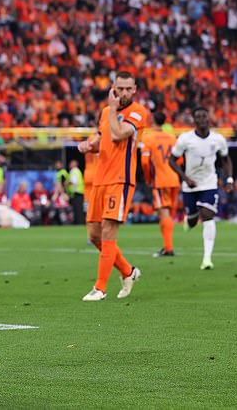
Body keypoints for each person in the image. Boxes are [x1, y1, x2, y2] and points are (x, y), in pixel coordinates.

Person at [77, 71, 147, 301]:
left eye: (128, 89)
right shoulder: (106, 112)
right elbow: (103, 139)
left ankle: (100, 288)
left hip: (121, 179)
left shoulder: (137, 112)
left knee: (108, 231)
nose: (124, 93)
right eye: (121, 88)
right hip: (100, 179)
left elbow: (117, 136)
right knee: (94, 235)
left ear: (135, 89)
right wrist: (89, 145)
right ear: (114, 88)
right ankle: (128, 271)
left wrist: (113, 109)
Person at [169, 107, 234, 270]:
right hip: (190, 185)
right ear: (194, 120)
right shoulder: (185, 139)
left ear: (208, 118)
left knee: (208, 215)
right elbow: (171, 160)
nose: (202, 120)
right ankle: (189, 220)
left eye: (204, 116)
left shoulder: (218, 139)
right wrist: (185, 178)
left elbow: (226, 160)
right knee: (192, 220)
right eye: (198, 117)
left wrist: (229, 179)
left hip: (209, 183)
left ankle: (207, 259)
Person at [140, 112, 180, 257]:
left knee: (163, 213)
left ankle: (168, 248)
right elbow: (179, 160)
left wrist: (148, 177)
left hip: (160, 180)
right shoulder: (172, 137)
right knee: (166, 213)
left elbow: (145, 162)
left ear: (152, 120)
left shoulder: (148, 137)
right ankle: (166, 246)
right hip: (174, 179)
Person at [68, 159, 85, 224]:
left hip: (77, 193)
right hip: (80, 192)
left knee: (77, 210)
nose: (70, 165)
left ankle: (79, 222)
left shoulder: (74, 171)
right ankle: (80, 222)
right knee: (79, 209)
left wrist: (67, 183)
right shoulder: (78, 171)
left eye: (71, 163)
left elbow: (73, 181)